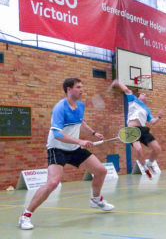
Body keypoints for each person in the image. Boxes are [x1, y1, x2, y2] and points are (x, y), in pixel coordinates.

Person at [19, 77, 114, 230]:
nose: (82, 90)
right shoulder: (60, 108)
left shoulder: (80, 105)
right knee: (53, 183)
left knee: (101, 171)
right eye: (78, 87)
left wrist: (93, 133)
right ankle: (25, 216)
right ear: (69, 89)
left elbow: (80, 122)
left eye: (82, 86)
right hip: (57, 148)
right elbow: (57, 134)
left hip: (73, 148)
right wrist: (80, 142)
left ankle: (96, 199)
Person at [111, 79, 163, 179]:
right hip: (132, 130)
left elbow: (152, 122)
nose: (144, 94)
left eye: (145, 94)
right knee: (139, 149)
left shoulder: (146, 109)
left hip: (143, 130)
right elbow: (126, 89)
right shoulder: (132, 99)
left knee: (157, 149)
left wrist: (159, 117)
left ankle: (150, 164)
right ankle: (145, 168)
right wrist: (118, 82)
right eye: (142, 93)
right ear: (139, 96)